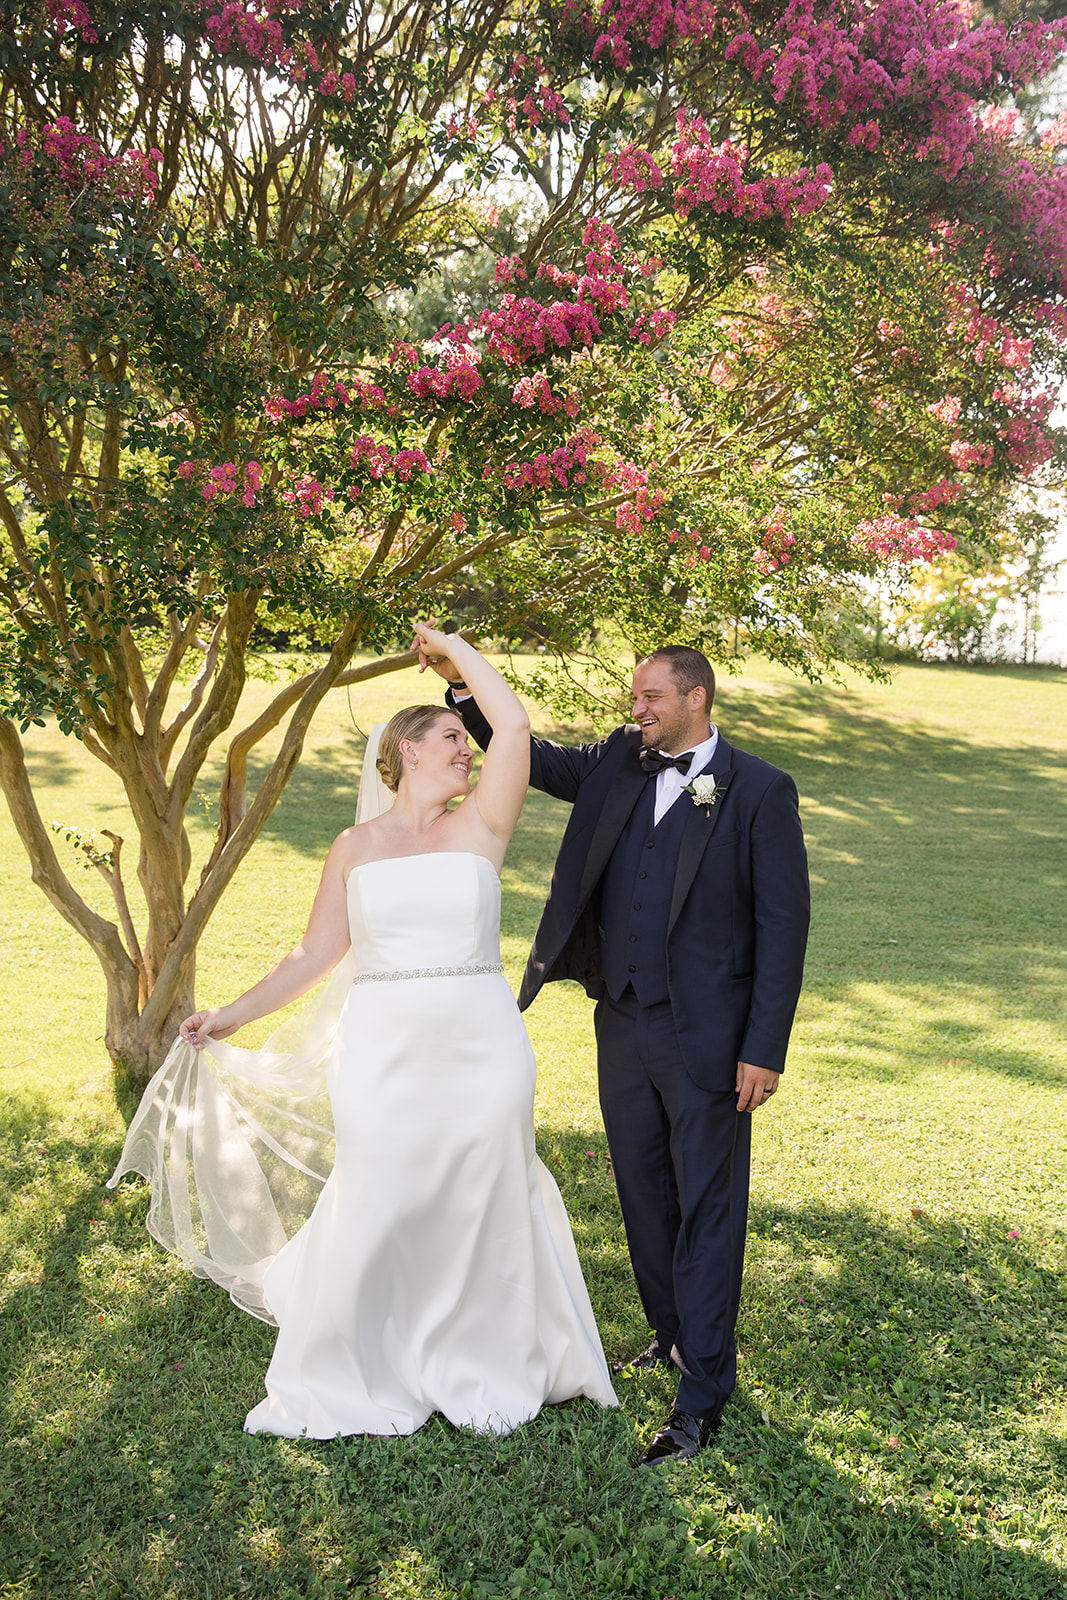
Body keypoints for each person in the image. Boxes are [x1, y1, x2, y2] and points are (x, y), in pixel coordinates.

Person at [109, 624, 617, 1439]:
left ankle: (486, 1350)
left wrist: (455, 650)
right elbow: (315, 952)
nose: (467, 747)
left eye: (465, 736)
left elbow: (513, 727)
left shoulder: (482, 824)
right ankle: (370, 1352)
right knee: (383, 1185)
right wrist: (230, 1014)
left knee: (485, 1185)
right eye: (451, 737)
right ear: (406, 751)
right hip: (381, 1046)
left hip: (481, 1043)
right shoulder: (354, 846)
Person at [433, 644, 809, 1463]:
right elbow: (523, 754)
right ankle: (672, 1335)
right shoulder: (614, 761)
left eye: (650, 696)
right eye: (632, 695)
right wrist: (461, 687)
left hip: (711, 1039)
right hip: (624, 1022)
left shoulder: (760, 792)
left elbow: (784, 931)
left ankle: (702, 1394)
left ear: (696, 699)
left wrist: (763, 1049)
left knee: (707, 1208)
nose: (634, 707)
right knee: (642, 1189)